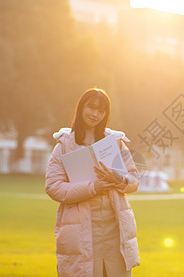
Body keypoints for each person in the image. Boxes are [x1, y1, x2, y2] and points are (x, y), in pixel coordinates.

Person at [45, 88, 140, 277]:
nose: (95, 114)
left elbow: (134, 180)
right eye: (91, 107)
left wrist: (118, 178)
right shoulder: (64, 145)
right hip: (81, 232)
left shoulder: (116, 142)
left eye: (101, 110)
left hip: (115, 230)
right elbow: (53, 187)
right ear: (81, 108)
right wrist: (93, 187)